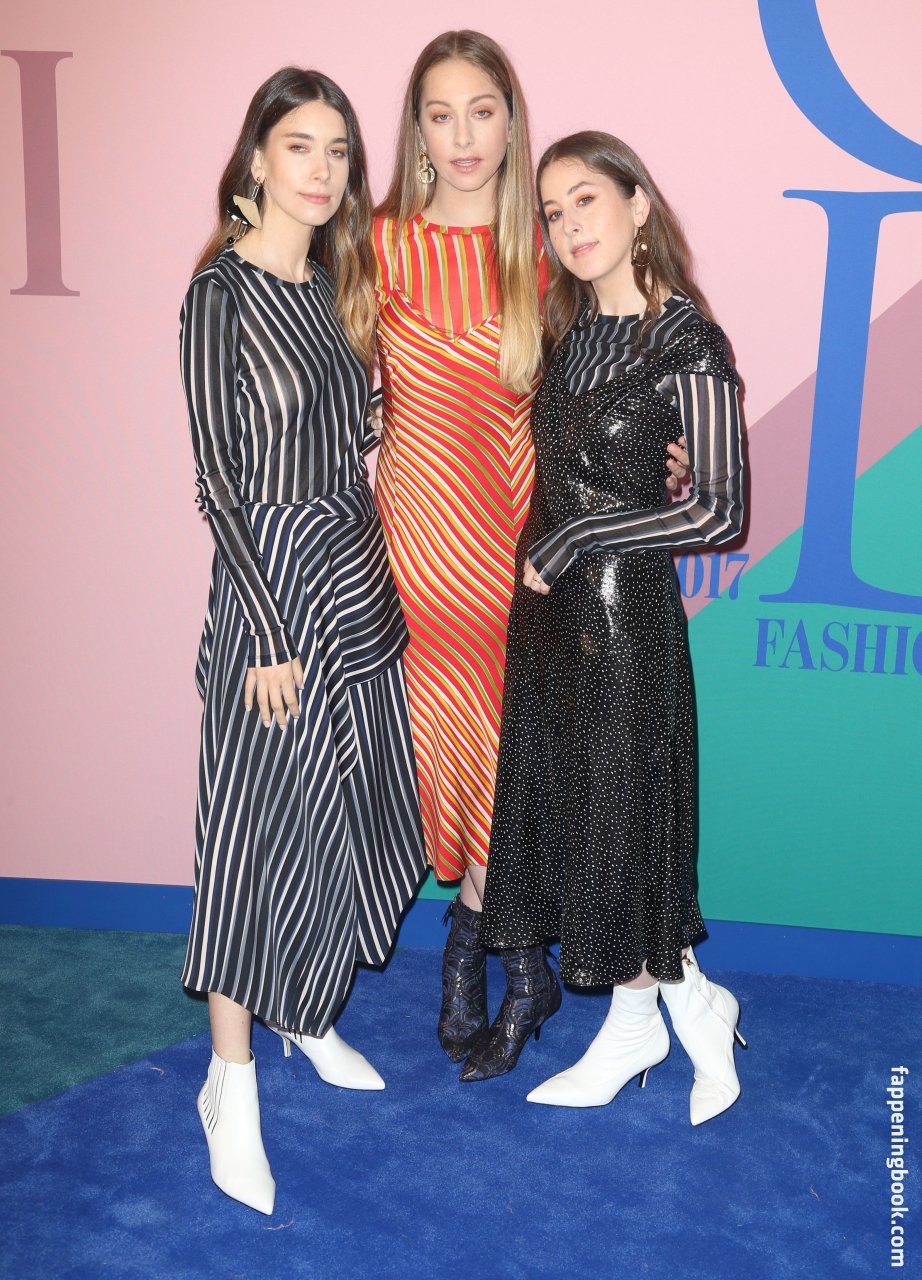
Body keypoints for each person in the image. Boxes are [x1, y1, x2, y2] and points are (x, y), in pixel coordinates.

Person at [372, 33, 690, 1069]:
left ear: (512, 122)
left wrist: (670, 452)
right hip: (418, 550)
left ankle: (496, 962)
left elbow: (619, 383)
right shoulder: (375, 246)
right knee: (453, 756)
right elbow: (329, 386)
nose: (463, 135)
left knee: (521, 759)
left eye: (482, 110)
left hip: (527, 550)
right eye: (440, 114)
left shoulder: (550, 259)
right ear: (417, 132)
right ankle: (512, 960)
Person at [179, 67, 426, 1214]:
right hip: (268, 591)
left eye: (337, 151)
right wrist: (268, 633)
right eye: (299, 146)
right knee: (250, 829)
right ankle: (228, 1081)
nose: (321, 170)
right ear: (256, 160)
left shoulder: (334, 289)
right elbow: (220, 482)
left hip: (352, 572)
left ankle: (305, 1007)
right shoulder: (218, 292)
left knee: (343, 804)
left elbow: (363, 434)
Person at [473, 131, 748, 1124]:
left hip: (626, 624)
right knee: (578, 823)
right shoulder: (566, 332)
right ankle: (671, 1007)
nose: (567, 225)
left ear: (638, 204)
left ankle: (652, 1017)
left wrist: (587, 532)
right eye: (551, 212)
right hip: (549, 623)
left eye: (584, 199)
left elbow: (718, 508)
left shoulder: (686, 340)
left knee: (619, 826)